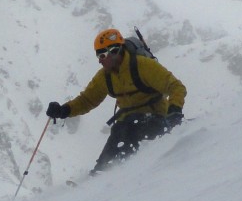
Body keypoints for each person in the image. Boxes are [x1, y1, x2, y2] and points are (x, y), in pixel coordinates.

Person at [46, 28, 187, 174]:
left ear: (115, 51)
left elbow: (176, 87)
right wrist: (63, 110)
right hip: (126, 124)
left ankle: (116, 175)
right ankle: (100, 172)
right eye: (98, 55)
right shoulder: (105, 76)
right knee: (119, 131)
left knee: (127, 128)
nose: (99, 60)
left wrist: (174, 111)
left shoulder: (142, 66)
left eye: (102, 55)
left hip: (156, 119)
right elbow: (87, 100)